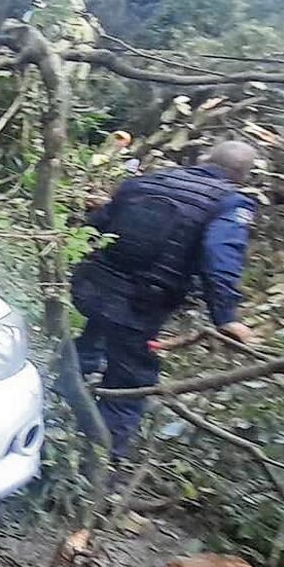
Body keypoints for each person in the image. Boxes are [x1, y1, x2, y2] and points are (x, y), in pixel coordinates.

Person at [70, 140, 260, 456]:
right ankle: (96, 472)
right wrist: (227, 319)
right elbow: (220, 260)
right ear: (242, 176)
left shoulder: (144, 182)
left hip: (90, 290)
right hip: (138, 307)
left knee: (85, 352)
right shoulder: (230, 204)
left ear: (204, 158)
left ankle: (55, 418)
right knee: (129, 386)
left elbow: (92, 229)